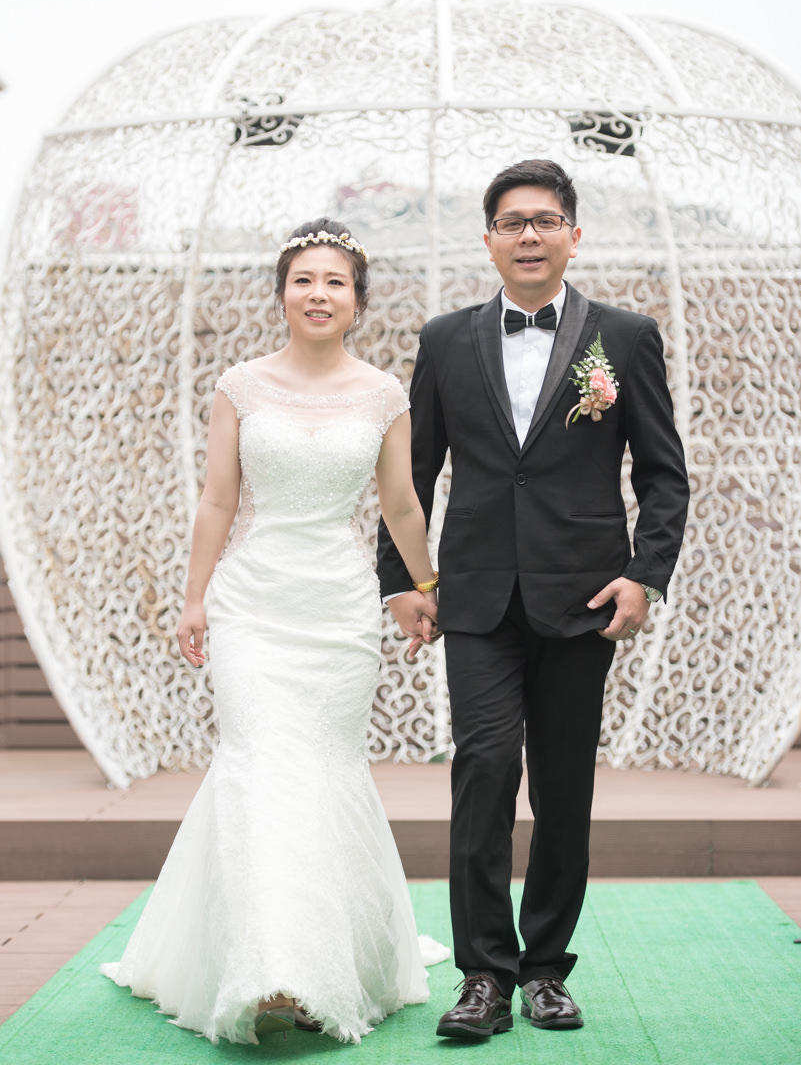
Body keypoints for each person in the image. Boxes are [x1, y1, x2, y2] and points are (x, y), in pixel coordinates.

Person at [102, 218, 444, 1045]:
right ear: (282, 294)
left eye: (335, 281)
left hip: (338, 610)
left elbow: (400, 504)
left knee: (324, 769)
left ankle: (327, 957)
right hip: (252, 605)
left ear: (357, 300)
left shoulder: (383, 394)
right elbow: (218, 498)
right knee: (257, 765)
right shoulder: (240, 387)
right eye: (303, 280)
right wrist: (194, 598)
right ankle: (266, 967)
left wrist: (424, 586)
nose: (318, 294)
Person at [377, 159, 690, 1039]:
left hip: (582, 596)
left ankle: (545, 969)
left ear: (572, 237)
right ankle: (483, 975)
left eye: (544, 221)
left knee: (563, 783)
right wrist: (401, 579)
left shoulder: (624, 338)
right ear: (488, 240)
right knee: (482, 771)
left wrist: (644, 575)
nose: (527, 235)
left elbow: (663, 476)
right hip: (474, 597)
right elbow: (411, 475)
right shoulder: (445, 339)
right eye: (511, 222)